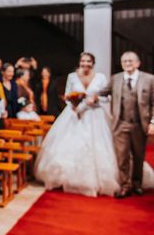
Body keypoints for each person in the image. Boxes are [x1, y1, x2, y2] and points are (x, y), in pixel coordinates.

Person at [34, 52, 119, 197]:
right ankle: (65, 179)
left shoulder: (100, 78)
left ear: (93, 63)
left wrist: (96, 99)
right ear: (80, 62)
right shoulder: (72, 77)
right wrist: (72, 103)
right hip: (74, 114)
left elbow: (108, 97)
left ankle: (95, 180)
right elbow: (67, 95)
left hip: (94, 114)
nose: (85, 64)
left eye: (88, 61)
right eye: (83, 61)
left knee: (97, 146)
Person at [96, 51, 154, 198]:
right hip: (120, 124)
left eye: (130, 61)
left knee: (138, 156)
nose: (127, 64)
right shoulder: (115, 79)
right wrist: (85, 95)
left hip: (139, 125)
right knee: (122, 157)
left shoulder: (149, 79)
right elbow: (102, 92)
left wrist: (153, 122)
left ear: (137, 63)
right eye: (124, 62)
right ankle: (125, 185)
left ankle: (137, 184)